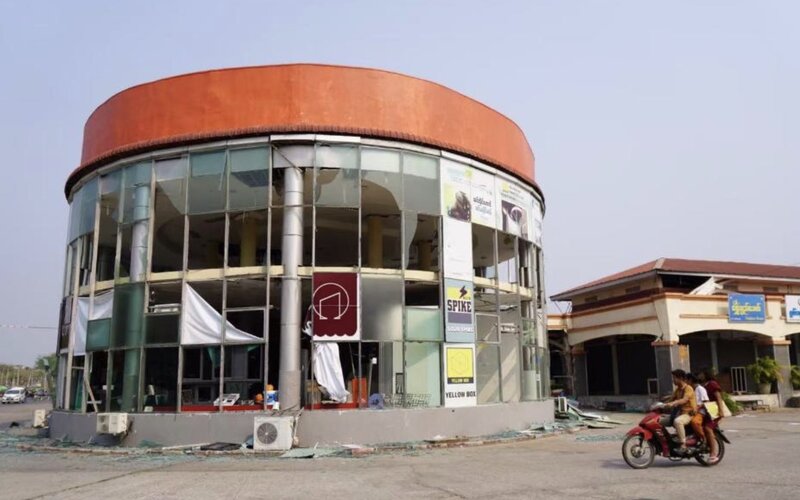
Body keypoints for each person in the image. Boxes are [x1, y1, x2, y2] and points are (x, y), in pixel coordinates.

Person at [660, 369, 696, 454]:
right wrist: (661, 404)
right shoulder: (678, 389)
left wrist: (673, 403)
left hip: (688, 414)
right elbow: (671, 399)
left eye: (674, 378)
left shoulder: (688, 388)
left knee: (677, 421)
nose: (673, 380)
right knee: (659, 421)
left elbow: (684, 400)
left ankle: (683, 445)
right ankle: (668, 440)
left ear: (680, 378)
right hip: (679, 413)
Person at [699, 369, 725, 464]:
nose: (700, 375)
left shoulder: (712, 384)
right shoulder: (702, 385)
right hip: (707, 411)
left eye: (701, 373)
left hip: (714, 411)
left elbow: (718, 397)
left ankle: (713, 453)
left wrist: (721, 411)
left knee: (708, 428)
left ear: (706, 374)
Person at [687, 373, 708, 443]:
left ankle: (703, 438)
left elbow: (706, 401)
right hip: (692, 411)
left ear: (690, 380)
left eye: (686, 380)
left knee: (694, 422)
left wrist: (697, 408)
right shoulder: (691, 389)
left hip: (700, 411)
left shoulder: (700, 389)